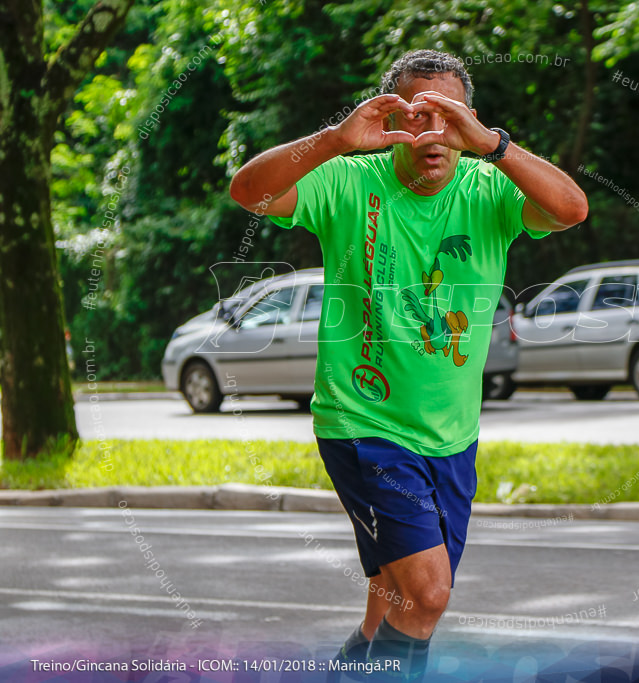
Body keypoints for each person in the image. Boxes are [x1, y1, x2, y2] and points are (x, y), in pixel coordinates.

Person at [229, 49, 587, 679]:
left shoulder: (492, 190)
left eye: (447, 118)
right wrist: (336, 140)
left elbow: (570, 209)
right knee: (426, 596)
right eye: (417, 118)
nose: (432, 136)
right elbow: (249, 192)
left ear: (469, 122)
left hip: (452, 436)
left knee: (387, 610)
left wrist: (495, 146)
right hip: (365, 422)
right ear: (391, 121)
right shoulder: (350, 179)